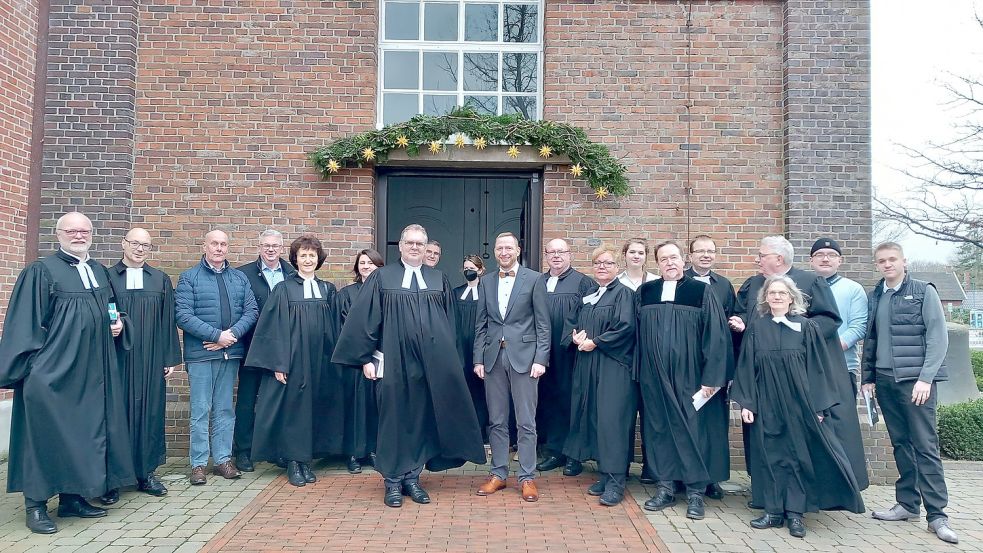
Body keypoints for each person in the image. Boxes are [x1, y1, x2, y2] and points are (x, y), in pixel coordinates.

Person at [0, 212, 135, 534]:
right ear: (58, 234)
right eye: (72, 231)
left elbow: (113, 311)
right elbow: (23, 323)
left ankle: (73, 499)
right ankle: (35, 506)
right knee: (43, 438)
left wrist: (119, 324)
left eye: (84, 230)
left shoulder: (99, 272)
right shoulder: (41, 271)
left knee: (84, 437)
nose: (79, 236)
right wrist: (32, 368)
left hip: (92, 375)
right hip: (53, 375)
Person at [333, 224, 485, 507]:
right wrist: (366, 358)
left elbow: (449, 327)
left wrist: (448, 364)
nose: (415, 248)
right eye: (410, 243)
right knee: (393, 421)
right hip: (392, 363)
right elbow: (365, 321)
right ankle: (392, 482)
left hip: (429, 367)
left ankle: (413, 479)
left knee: (420, 420)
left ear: (426, 248)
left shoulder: (438, 279)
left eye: (420, 244)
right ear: (400, 246)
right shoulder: (382, 277)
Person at [731, 236, 868, 504]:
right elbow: (747, 315)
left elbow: (829, 320)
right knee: (765, 436)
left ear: (778, 259)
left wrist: (795, 334)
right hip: (763, 375)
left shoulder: (810, 282)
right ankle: (766, 493)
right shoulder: (753, 284)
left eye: (761, 255)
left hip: (798, 374)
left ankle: (801, 497)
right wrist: (740, 322)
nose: (756, 260)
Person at [863, 242, 958, 544]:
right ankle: (907, 505)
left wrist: (926, 379)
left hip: (916, 384)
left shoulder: (923, 291)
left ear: (904, 261)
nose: (887, 265)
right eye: (882, 261)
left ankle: (937, 516)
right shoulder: (876, 294)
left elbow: (938, 337)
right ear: (876, 265)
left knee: (925, 447)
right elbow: (872, 339)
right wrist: (868, 378)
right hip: (886, 381)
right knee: (901, 444)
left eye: (892, 259)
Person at [637, 241, 730, 520]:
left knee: (693, 432)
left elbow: (716, 336)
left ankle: (695, 493)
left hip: (691, 377)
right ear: (657, 263)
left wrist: (712, 377)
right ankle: (665, 487)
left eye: (674, 257)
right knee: (658, 430)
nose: (670, 263)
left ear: (683, 259)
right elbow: (637, 336)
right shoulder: (646, 292)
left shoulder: (701, 291)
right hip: (653, 376)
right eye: (663, 258)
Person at [244, 235, 338, 487]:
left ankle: (306, 459)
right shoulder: (283, 289)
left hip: (319, 361)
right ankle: (293, 462)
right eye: (303, 255)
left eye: (312, 255)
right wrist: (278, 362)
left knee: (313, 409)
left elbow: (335, 329)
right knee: (294, 412)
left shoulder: (327, 289)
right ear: (295, 259)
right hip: (293, 361)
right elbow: (272, 328)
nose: (308, 259)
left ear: (319, 260)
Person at [103, 228, 182, 503]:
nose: (139, 249)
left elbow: (167, 320)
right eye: (135, 243)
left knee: (149, 414)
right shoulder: (108, 277)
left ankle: (146, 473)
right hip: (119, 357)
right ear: (123, 243)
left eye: (145, 245)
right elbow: (107, 309)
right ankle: (112, 479)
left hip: (150, 359)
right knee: (117, 415)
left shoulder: (159, 279)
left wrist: (169, 358)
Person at [176, 230, 258, 485]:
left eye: (223, 244)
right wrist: (216, 335)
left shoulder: (239, 278)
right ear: (205, 246)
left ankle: (223, 459)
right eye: (215, 243)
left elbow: (251, 310)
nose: (219, 248)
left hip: (230, 353)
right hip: (201, 356)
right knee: (201, 410)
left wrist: (230, 335)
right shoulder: (189, 278)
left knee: (224, 408)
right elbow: (183, 315)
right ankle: (199, 464)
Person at [474, 232, 551, 502]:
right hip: (494, 358)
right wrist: (478, 359)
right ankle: (498, 473)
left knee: (526, 421)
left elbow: (543, 324)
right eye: (499, 248)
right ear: (494, 252)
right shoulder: (486, 282)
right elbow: (481, 324)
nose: (504, 252)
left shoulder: (535, 279)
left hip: (526, 359)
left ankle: (527, 477)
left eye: (509, 247)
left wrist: (541, 359)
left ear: (517, 250)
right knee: (496, 420)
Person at [563, 245, 636, 506]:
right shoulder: (592, 294)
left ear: (618, 267)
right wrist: (575, 337)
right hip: (588, 365)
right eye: (597, 263)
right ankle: (605, 474)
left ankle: (617, 481)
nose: (601, 267)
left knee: (612, 422)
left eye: (607, 263)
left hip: (613, 366)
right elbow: (574, 322)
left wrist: (597, 342)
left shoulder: (624, 295)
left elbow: (625, 327)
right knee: (595, 418)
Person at [233, 229, 296, 472]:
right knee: (247, 400)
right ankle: (244, 452)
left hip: (282, 350)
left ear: (282, 248)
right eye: (266, 245)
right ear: (259, 247)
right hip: (251, 348)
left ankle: (276, 450)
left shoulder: (291, 274)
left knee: (278, 401)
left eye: (275, 246)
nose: (271, 249)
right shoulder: (243, 274)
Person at [536, 238, 596, 477]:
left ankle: (575, 455)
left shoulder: (584, 283)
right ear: (546, 255)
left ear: (570, 255)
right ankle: (554, 451)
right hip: (541, 351)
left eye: (562, 252)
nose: (557, 256)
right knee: (547, 399)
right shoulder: (538, 281)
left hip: (569, 353)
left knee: (571, 401)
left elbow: (591, 315)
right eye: (552, 252)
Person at [684, 234, 738, 500]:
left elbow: (733, 317)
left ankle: (711, 479)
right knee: (691, 424)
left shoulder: (724, 285)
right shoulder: (681, 283)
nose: (706, 255)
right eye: (700, 251)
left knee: (714, 426)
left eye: (710, 251)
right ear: (690, 255)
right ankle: (688, 477)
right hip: (687, 365)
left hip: (715, 364)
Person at [336, 248, 384, 474]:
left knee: (376, 406)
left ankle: (373, 450)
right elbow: (344, 329)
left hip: (381, 359)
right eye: (362, 263)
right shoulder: (346, 294)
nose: (366, 266)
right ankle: (354, 453)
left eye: (370, 263)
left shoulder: (386, 292)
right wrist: (361, 355)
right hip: (354, 361)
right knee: (355, 407)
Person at [808, 237, 867, 392]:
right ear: (811, 260)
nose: (825, 259)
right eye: (819, 255)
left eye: (831, 255)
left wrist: (831, 348)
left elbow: (859, 327)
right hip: (807, 366)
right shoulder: (801, 288)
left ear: (840, 261)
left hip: (842, 366)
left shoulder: (853, 289)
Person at [453, 254, 490, 443]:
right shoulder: (456, 292)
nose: (469, 271)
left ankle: (482, 433)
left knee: (481, 390)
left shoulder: (488, 292)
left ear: (481, 270)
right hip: (461, 348)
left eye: (472, 269)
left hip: (480, 348)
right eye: (466, 268)